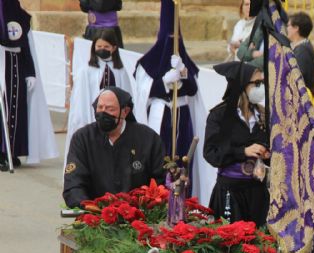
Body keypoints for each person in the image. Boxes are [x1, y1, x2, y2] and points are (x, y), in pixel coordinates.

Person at [134, 0, 210, 203]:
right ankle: (158, 199)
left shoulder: (184, 61)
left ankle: (183, 202)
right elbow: (144, 92)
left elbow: (193, 90)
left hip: (182, 116)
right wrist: (164, 82)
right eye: (167, 38)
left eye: (174, 38)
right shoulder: (148, 63)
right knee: (161, 159)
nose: (171, 43)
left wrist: (183, 72)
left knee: (183, 160)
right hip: (160, 116)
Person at [63, 87, 165, 208]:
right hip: (94, 214)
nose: (103, 113)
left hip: (138, 215)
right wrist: (86, 206)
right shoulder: (82, 138)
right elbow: (74, 182)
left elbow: (160, 181)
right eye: (100, 108)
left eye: (110, 109)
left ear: (125, 112)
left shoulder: (149, 139)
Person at [203, 61, 270, 226]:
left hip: (257, 192)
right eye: (257, 83)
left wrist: (268, 154)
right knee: (232, 244)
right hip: (230, 192)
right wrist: (243, 151)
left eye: (262, 83)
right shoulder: (220, 116)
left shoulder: (263, 115)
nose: (261, 87)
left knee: (260, 244)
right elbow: (211, 153)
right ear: (242, 85)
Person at [0, 0, 58, 171]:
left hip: (17, 68)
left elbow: (26, 47)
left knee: (18, 111)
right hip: (3, 67)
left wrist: (30, 73)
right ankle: (2, 152)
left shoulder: (21, 18)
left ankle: (14, 151)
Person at [64, 29, 133, 170]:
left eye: (106, 47)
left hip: (114, 120)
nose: (102, 50)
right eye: (99, 47)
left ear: (114, 48)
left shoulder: (120, 70)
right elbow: (80, 101)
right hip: (93, 118)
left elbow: (127, 97)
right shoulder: (86, 70)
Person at [286, 11, 314, 93]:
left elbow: (295, 79)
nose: (286, 28)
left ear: (296, 28)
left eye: (288, 26)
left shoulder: (302, 51)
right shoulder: (302, 47)